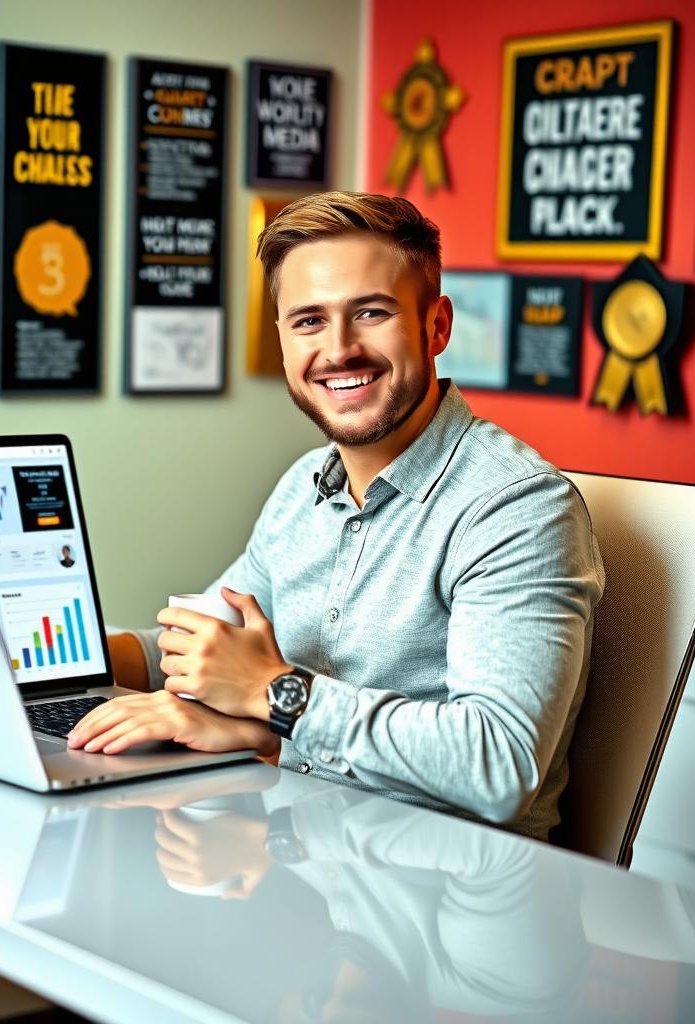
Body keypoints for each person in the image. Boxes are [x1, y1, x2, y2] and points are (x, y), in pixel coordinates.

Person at [69, 192, 604, 839]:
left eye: (370, 313)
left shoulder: (516, 509)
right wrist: (67, 659)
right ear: (284, 343)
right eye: (308, 322)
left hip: (451, 901)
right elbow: (213, 650)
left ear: (436, 326)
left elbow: (499, 764)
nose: (339, 349)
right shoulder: (303, 487)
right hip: (296, 850)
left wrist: (274, 702)